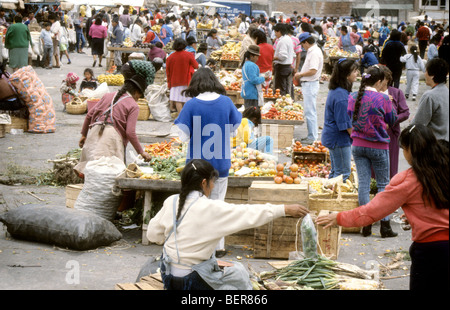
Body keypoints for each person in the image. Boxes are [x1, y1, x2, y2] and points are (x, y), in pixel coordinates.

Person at [316, 124, 449, 291]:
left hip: (430, 252)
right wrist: (419, 215)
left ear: (410, 151)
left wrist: (338, 217)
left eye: (403, 149)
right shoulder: (444, 167)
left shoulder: (407, 180)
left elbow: (370, 213)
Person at [147, 159, 309, 290]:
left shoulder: (171, 201)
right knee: (238, 274)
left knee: (226, 267)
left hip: (168, 277)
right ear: (204, 183)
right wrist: (285, 209)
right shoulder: (211, 208)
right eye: (213, 182)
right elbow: (249, 213)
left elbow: (152, 235)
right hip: (193, 282)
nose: (213, 186)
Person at [173, 68, 243, 256]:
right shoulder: (227, 103)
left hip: (197, 166)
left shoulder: (191, 105)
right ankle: (218, 247)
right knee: (218, 204)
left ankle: (196, 246)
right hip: (220, 164)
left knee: (195, 205)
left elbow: (182, 136)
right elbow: (235, 130)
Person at [347, 65, 398, 238]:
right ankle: (385, 226)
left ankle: (366, 224)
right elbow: (393, 119)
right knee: (383, 185)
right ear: (378, 81)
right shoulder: (382, 98)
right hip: (378, 145)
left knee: (363, 183)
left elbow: (349, 116)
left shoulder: (353, 96)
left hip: (358, 145)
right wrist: (388, 101)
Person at [74, 74, 152, 175]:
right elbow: (130, 132)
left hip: (94, 132)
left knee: (91, 170)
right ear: (136, 92)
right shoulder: (133, 105)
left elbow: (89, 115)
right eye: (139, 96)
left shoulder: (107, 95)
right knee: (108, 173)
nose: (138, 99)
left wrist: (84, 135)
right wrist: (141, 152)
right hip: (111, 140)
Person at [321, 58, 359, 181]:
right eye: (354, 71)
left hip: (333, 137)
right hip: (338, 139)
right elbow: (345, 124)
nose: (357, 73)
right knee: (343, 174)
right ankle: (336, 199)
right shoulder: (341, 96)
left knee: (336, 171)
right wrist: (357, 139)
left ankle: (328, 196)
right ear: (346, 75)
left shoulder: (337, 91)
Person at [378, 65, 410, 179]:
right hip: (374, 133)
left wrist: (391, 122)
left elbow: (405, 113)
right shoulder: (371, 93)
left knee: (391, 164)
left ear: (387, 79)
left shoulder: (396, 93)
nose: (379, 82)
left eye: (381, 79)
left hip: (391, 133)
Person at [294, 32, 323, 145]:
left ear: (306, 42)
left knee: (310, 112)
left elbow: (313, 70)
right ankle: (312, 135)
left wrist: (300, 74)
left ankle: (312, 137)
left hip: (310, 84)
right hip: (309, 84)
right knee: (310, 111)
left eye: (302, 44)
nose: (302, 46)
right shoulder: (313, 51)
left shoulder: (314, 52)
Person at [411, 58, 449, 142]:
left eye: (426, 71)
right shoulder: (446, 91)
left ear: (432, 75)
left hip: (433, 145)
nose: (424, 74)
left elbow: (418, 124)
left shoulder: (430, 96)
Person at [166, 38, 199, 113]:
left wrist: (169, 83)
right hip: (187, 80)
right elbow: (196, 66)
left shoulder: (170, 57)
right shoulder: (189, 55)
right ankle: (186, 116)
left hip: (174, 81)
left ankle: (181, 116)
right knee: (186, 99)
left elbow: (168, 72)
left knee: (178, 100)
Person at [273, 23, 294, 96]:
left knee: (280, 89)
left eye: (276, 32)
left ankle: (282, 103)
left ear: (279, 31)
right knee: (287, 88)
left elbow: (283, 56)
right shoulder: (288, 38)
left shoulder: (283, 41)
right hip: (287, 66)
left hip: (282, 67)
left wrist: (273, 58)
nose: (275, 34)